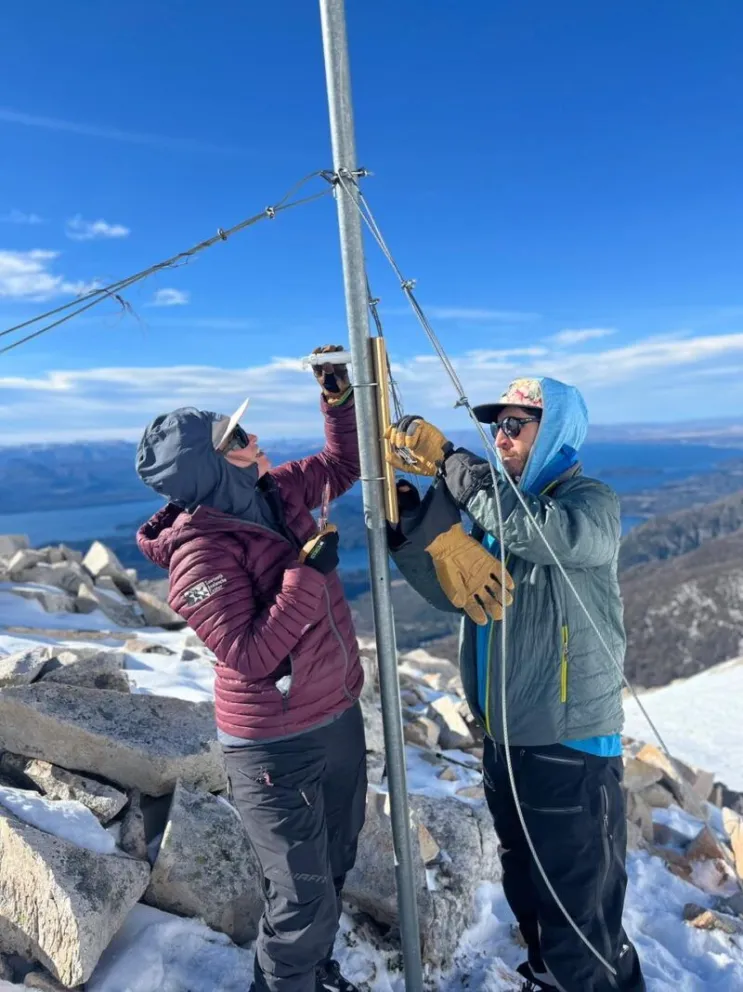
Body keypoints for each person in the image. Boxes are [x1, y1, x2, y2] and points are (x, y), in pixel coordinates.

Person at [384, 377, 646, 992]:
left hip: (570, 743)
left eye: (514, 426)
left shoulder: (588, 503)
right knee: (530, 896)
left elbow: (547, 534)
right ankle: (544, 977)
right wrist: (414, 528)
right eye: (495, 427)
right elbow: (454, 592)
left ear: (553, 431)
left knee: (582, 920)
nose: (500, 438)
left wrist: (453, 463)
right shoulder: (499, 511)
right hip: (505, 739)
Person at [135, 346, 366, 992]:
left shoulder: (274, 490)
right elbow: (251, 654)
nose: (254, 438)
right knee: (301, 900)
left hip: (335, 713)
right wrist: (306, 574)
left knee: (335, 864)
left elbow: (341, 466)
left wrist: (338, 399)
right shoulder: (197, 559)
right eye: (236, 438)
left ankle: (315, 975)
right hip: (275, 747)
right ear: (211, 467)